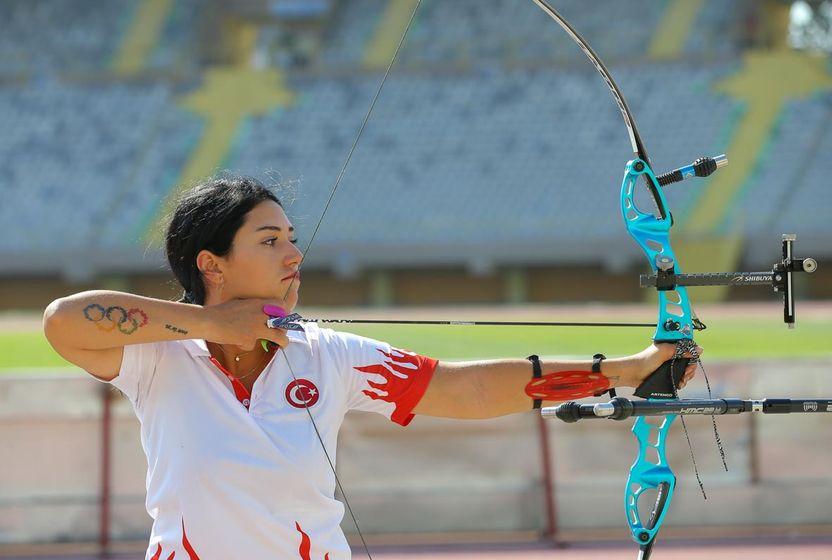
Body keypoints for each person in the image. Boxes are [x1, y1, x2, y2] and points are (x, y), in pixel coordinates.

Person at [42, 176, 699, 560]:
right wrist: (212, 324)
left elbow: (463, 389)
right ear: (211, 264)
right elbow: (64, 321)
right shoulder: (157, 357)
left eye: (293, 238)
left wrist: (623, 369)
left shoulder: (327, 354)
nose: (294, 255)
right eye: (270, 242)